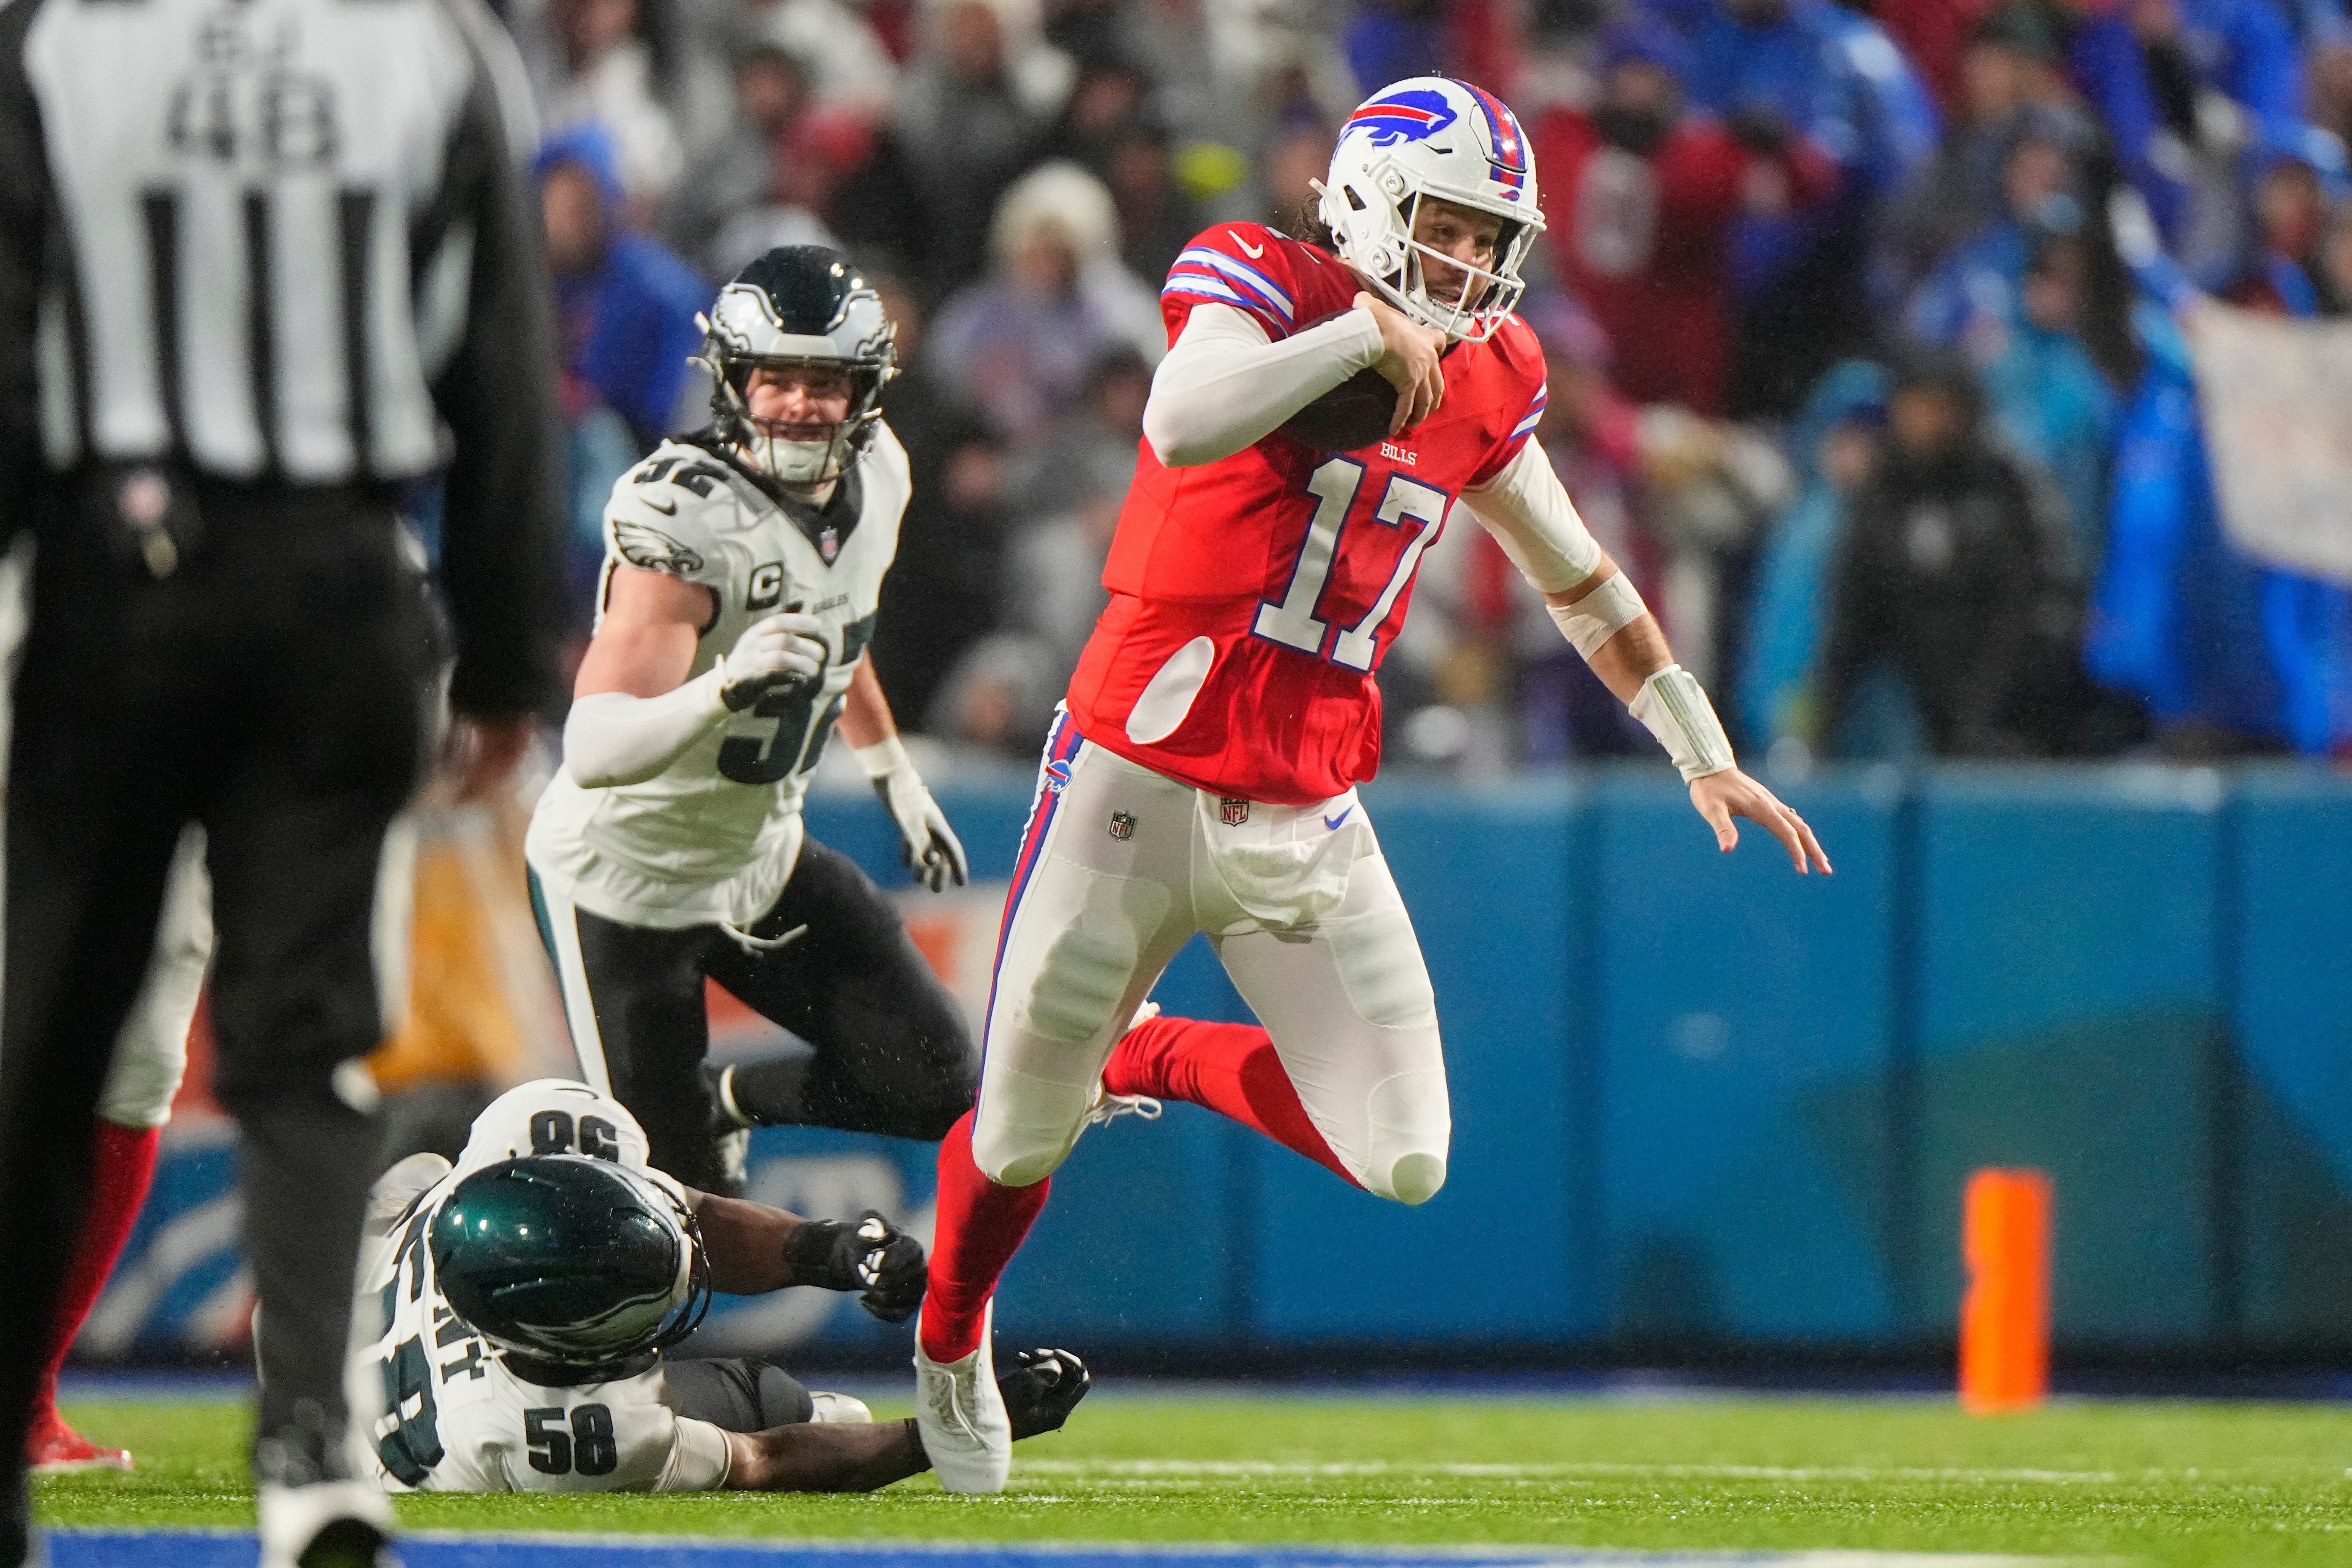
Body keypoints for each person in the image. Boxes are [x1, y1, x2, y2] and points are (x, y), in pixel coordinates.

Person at [907, 75, 1832, 1495]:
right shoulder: (1261, 277)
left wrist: (1699, 743)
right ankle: (947, 1338)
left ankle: (1144, 1055)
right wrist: (1353, 334)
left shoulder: (1492, 369)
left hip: (1306, 804)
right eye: (1443, 226)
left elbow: (1578, 576)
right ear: (1363, 200)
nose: (1465, 262)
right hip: (1133, 777)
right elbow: (1183, 419)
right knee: (1021, 1132)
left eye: (1487, 238)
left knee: (1404, 1151)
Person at [0, 0, 564, 1558]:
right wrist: (507, 656)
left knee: (48, 1036)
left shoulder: (56, 42)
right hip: (339, 583)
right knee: (306, 1041)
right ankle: (312, 1443)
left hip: (111, 579)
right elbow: (505, 365)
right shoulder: (432, 46)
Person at [525, 246, 977, 1197]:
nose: (802, 404)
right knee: (676, 1207)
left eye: (827, 381)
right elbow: (595, 746)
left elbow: (840, 631)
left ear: (866, 391)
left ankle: (724, 1100)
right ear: (734, 383)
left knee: (938, 1081)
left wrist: (894, 775)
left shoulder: (880, 475)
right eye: (778, 379)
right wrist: (725, 687)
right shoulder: (685, 519)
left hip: (758, 860)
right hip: (630, 882)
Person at [356, 1079, 1090, 1493]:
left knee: (404, 1187)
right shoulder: (551, 1436)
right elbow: (765, 1460)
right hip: (425, 1441)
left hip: (379, 1319)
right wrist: (942, 1433)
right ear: (564, 1347)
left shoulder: (506, 1168)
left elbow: (698, 1216)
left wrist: (832, 1251)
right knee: (797, 1411)